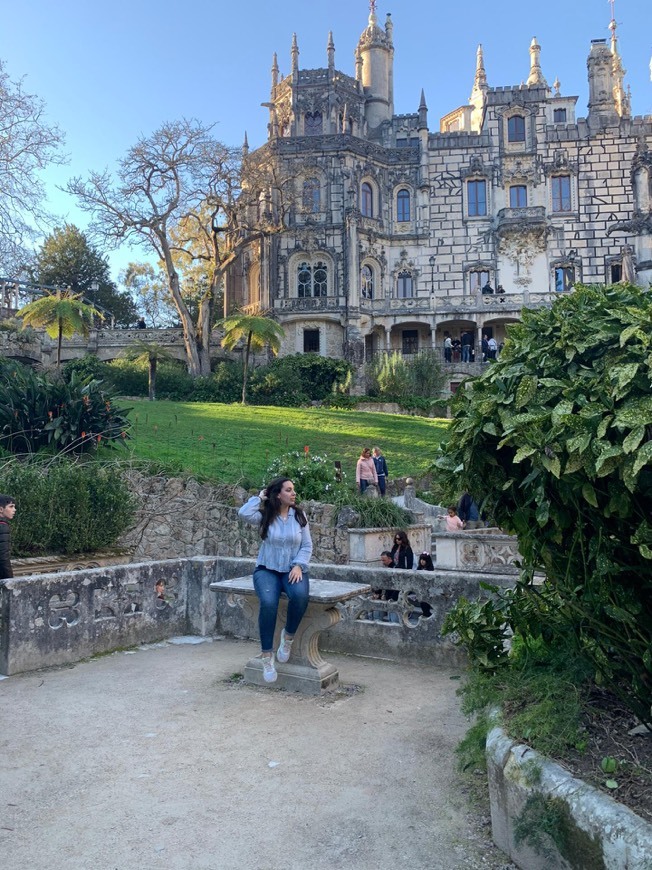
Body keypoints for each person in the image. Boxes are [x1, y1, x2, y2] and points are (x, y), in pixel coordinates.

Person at [238, 477, 312, 683]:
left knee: (299, 596)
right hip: (266, 570)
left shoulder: (299, 516)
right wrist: (260, 497)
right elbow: (243, 513)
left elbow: (307, 545)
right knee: (269, 602)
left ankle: (287, 638)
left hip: (292, 569)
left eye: (293, 490)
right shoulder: (265, 516)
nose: (293, 493)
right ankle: (267, 656)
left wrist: (298, 564)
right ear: (278, 494)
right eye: (289, 490)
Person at [0, 495, 16, 580]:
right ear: (1, 509)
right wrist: (10, 580)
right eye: (11, 506)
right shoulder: (2, 526)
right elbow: (3, 557)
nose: (14, 510)